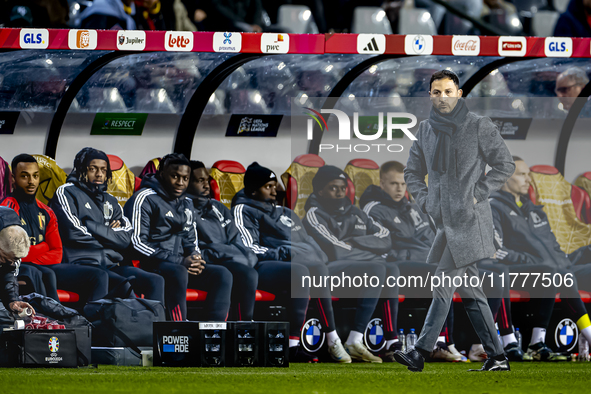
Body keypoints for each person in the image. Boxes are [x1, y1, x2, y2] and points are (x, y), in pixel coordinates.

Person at [395, 70, 515, 372]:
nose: (442, 97)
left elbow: (505, 164)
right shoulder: (424, 129)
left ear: (459, 94)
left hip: (471, 221)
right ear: (430, 95)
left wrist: (478, 193)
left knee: (442, 283)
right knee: (473, 295)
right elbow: (412, 172)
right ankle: (498, 357)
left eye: (448, 91)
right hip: (443, 224)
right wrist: (425, 201)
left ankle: (420, 351)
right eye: (436, 92)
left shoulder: (479, 126)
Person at [361, 161, 515, 362]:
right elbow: (386, 242)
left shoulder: (414, 207)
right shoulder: (373, 208)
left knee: (493, 281)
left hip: (430, 261)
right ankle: (441, 343)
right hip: (400, 264)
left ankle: (478, 346)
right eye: (393, 184)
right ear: (382, 183)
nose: (399, 189)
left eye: (403, 184)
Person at [232, 162, 357, 363]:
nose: (275, 190)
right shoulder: (243, 210)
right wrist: (285, 252)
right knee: (300, 272)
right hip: (264, 266)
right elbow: (249, 247)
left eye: (275, 185)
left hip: (294, 263)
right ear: (254, 191)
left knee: (317, 266)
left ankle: (332, 338)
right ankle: (292, 345)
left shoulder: (287, 213)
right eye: (268, 186)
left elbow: (312, 245)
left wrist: (308, 256)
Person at [490, 156, 591, 360]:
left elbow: (553, 248)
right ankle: (538, 343)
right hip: (520, 271)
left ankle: (539, 345)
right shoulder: (493, 207)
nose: (528, 180)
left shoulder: (534, 209)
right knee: (554, 273)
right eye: (521, 175)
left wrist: (571, 258)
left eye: (528, 174)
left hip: (561, 267)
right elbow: (494, 251)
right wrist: (530, 261)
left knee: (563, 272)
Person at [302, 165, 393, 363]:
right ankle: (352, 341)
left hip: (358, 269)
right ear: (320, 191)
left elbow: (386, 238)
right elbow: (335, 250)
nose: (340, 192)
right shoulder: (314, 214)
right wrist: (371, 250)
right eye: (333, 188)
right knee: (379, 265)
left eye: (343, 187)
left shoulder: (356, 212)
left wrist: (356, 242)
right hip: (330, 271)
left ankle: (387, 343)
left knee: (391, 268)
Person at [125, 153, 232, 322]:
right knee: (178, 271)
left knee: (222, 274)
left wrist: (195, 258)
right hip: (149, 263)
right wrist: (180, 261)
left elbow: (191, 238)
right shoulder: (144, 198)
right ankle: (178, 327)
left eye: (185, 178)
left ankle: (213, 332)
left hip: (180, 263)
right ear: (162, 174)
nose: (180, 183)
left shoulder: (187, 202)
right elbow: (137, 242)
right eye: (175, 176)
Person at [51, 148, 164, 303]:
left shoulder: (110, 200)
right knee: (118, 284)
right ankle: (100, 326)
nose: (99, 174)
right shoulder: (66, 192)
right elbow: (73, 233)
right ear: (82, 169)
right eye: (93, 169)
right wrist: (111, 235)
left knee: (155, 280)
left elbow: (126, 238)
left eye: (104, 170)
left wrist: (92, 226)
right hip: (81, 262)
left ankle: (154, 326)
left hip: (110, 263)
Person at [1, 154, 110, 305]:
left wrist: (34, 252)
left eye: (35, 176)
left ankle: (91, 324)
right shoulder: (6, 209)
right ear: (13, 178)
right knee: (44, 273)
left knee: (99, 276)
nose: (31, 181)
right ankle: (51, 322)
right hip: (22, 270)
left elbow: (57, 252)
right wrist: (44, 247)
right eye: (25, 176)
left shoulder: (46, 211)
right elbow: (13, 255)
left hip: (47, 266)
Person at [187, 160, 258, 322]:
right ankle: (214, 332)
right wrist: (224, 252)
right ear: (186, 183)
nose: (206, 185)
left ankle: (244, 328)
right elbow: (194, 250)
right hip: (204, 263)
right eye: (200, 181)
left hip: (226, 259)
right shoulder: (183, 208)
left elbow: (235, 238)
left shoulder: (218, 208)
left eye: (207, 180)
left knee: (249, 273)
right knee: (224, 274)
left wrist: (246, 257)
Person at [0, 206, 36, 316]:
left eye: (14, 259)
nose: (10, 263)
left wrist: (12, 301)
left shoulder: (12, 256)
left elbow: (9, 276)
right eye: (4, 257)